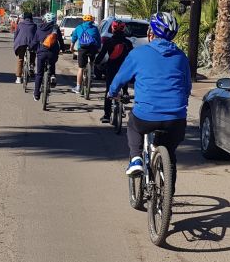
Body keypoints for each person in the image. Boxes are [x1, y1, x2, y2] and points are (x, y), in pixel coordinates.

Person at [108, 12, 191, 180]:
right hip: (176, 119)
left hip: (146, 116)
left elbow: (120, 79)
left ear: (150, 33)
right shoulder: (181, 57)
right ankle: (167, 195)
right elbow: (187, 86)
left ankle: (136, 158)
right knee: (170, 154)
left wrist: (112, 93)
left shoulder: (138, 54)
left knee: (133, 124)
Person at [95, 20, 133, 123]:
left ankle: (107, 115)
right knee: (124, 81)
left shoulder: (108, 42)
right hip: (124, 68)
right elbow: (132, 57)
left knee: (109, 90)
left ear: (112, 29)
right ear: (124, 29)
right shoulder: (128, 43)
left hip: (111, 68)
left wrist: (96, 63)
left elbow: (101, 55)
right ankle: (125, 93)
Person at [32, 12, 65, 101]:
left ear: (45, 20)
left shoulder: (39, 28)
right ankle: (52, 75)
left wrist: (32, 48)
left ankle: (36, 94)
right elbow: (61, 41)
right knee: (52, 61)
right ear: (54, 20)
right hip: (53, 53)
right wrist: (63, 49)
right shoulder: (55, 28)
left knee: (39, 74)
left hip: (41, 53)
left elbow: (34, 41)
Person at [70, 14, 101, 95]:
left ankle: (78, 87)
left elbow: (74, 38)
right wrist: (98, 48)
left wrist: (72, 48)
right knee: (92, 61)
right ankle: (92, 72)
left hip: (82, 49)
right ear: (92, 21)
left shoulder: (79, 27)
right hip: (92, 48)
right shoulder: (95, 28)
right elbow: (98, 39)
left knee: (80, 68)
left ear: (83, 20)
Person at [12, 12, 37, 84]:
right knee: (33, 53)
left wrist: (15, 42)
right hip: (31, 43)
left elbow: (16, 35)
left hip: (21, 43)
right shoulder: (34, 25)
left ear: (24, 18)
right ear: (31, 18)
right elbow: (36, 35)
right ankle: (31, 66)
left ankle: (18, 78)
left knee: (20, 59)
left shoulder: (20, 24)